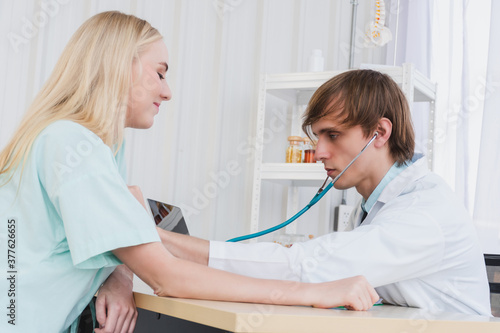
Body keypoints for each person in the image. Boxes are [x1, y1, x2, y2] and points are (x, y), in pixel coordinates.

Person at [0, 11, 378, 333]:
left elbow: (103, 237)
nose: (167, 92)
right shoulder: (72, 144)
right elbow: (167, 277)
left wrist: (118, 275)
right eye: (159, 73)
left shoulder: (94, 144)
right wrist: (317, 292)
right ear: (117, 66)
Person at [158, 69, 492, 317]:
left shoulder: (424, 212)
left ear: (379, 132)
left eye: (333, 135)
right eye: (317, 136)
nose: (318, 152)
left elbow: (305, 268)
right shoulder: (376, 205)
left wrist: (163, 241)